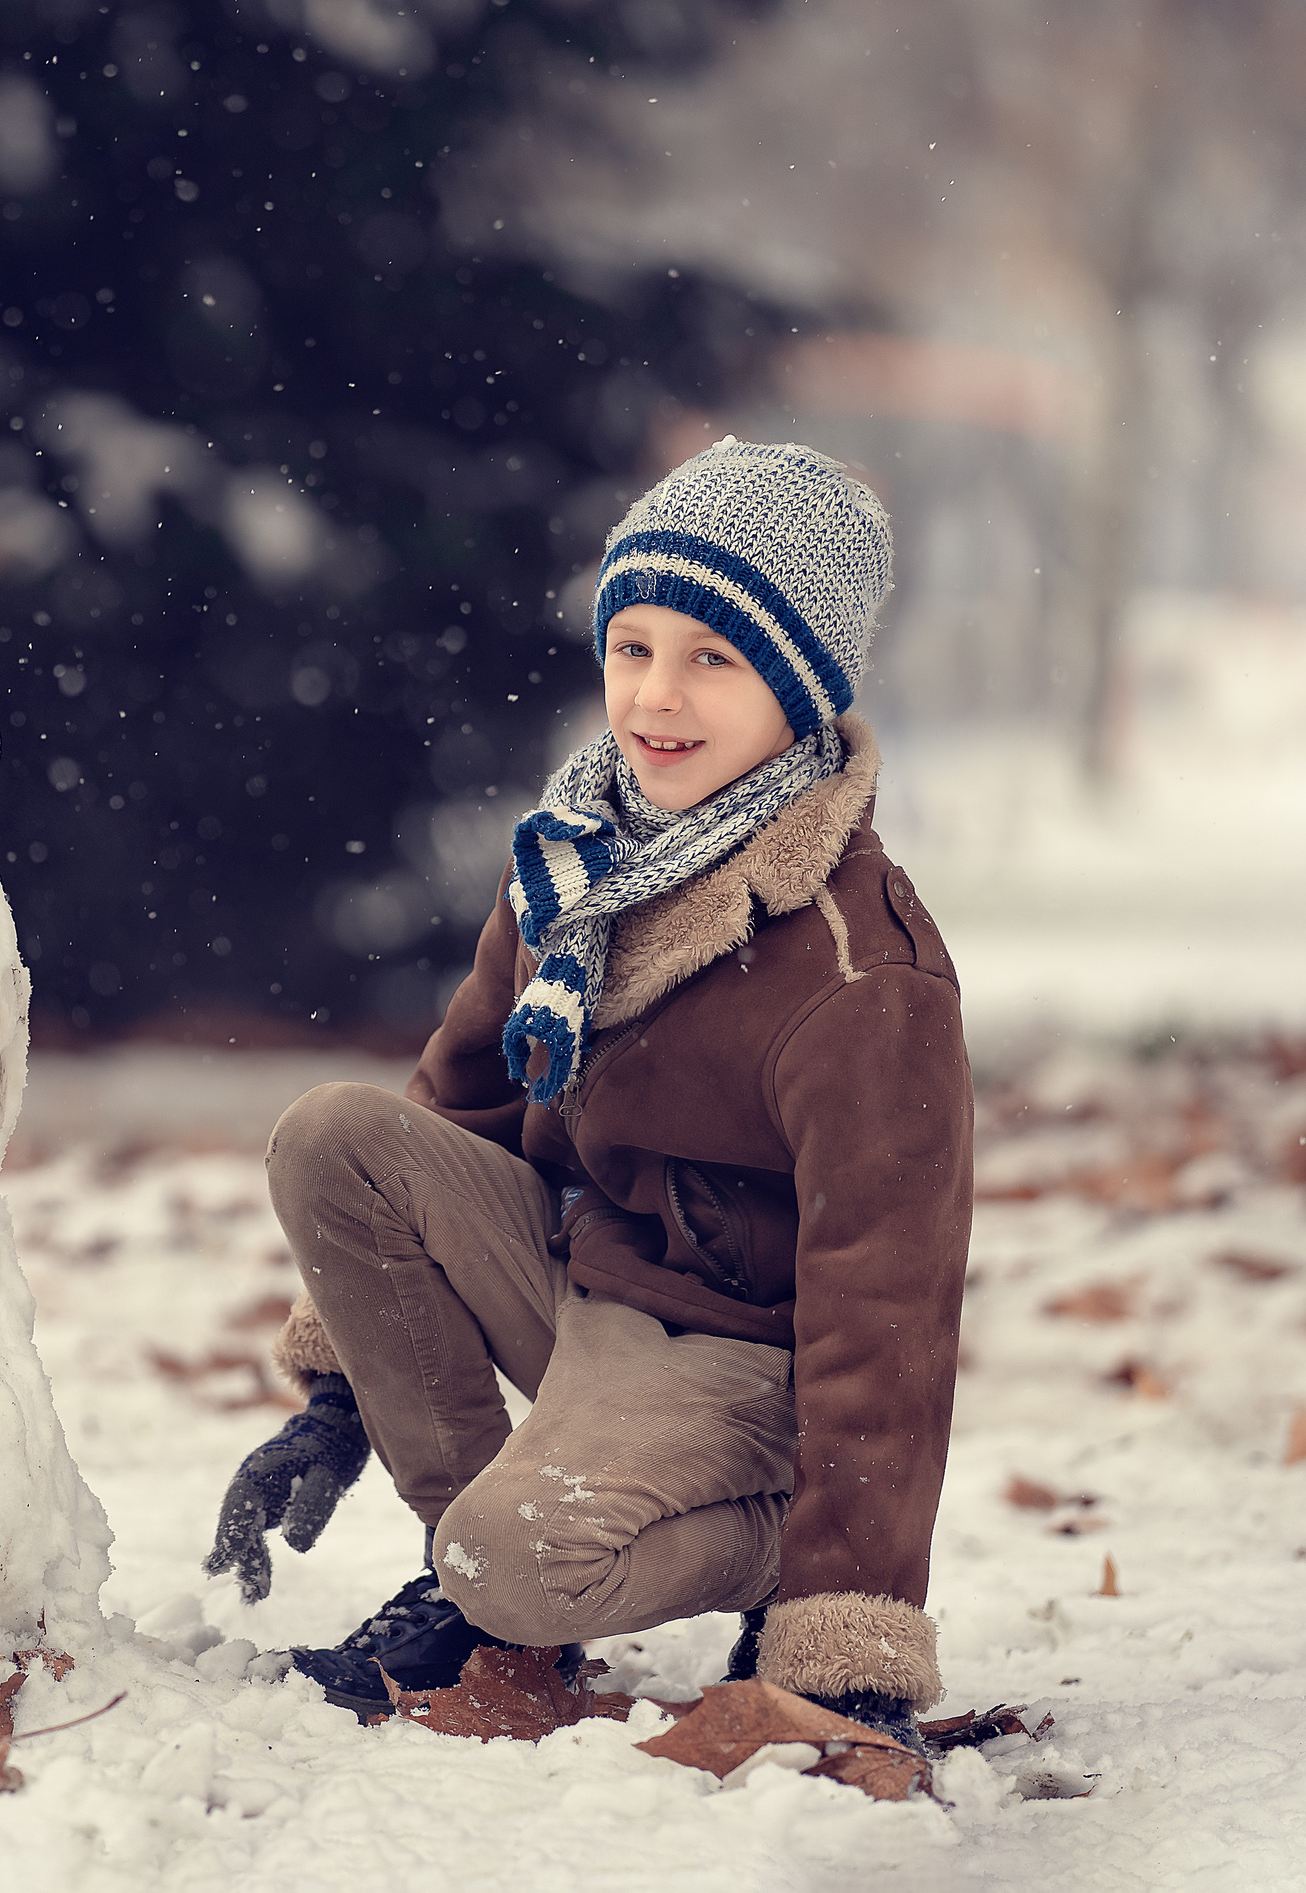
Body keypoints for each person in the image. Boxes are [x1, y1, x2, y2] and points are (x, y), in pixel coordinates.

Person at [202, 439, 973, 1752]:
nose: (654, 698)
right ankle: (490, 1592)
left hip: (751, 1361)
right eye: (633, 646)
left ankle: (666, 1558)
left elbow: (885, 1317)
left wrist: (845, 1614)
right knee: (333, 1135)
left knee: (513, 1554)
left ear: (802, 688)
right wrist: (338, 1400)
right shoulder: (577, 870)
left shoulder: (859, 971)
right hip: (590, 1285)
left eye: (713, 660)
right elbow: (455, 1114)